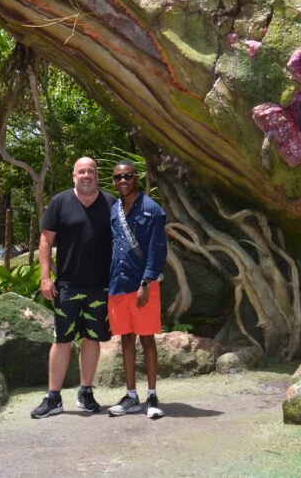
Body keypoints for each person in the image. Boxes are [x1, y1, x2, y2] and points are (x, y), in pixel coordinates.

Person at [31, 157, 116, 419]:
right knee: (62, 339)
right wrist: (46, 278)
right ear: (73, 176)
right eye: (82, 172)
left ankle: (86, 392)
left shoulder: (112, 203)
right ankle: (53, 397)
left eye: (91, 171)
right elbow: (46, 241)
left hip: (101, 287)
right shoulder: (60, 202)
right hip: (68, 285)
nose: (87, 175)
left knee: (92, 339)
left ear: (97, 175)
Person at [106, 160, 168, 420]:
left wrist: (146, 283)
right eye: (118, 177)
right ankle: (131, 396)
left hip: (142, 286)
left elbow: (157, 249)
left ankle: (152, 395)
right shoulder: (114, 210)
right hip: (118, 285)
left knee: (147, 339)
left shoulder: (152, 210)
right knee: (126, 340)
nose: (123, 180)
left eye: (128, 176)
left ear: (137, 178)